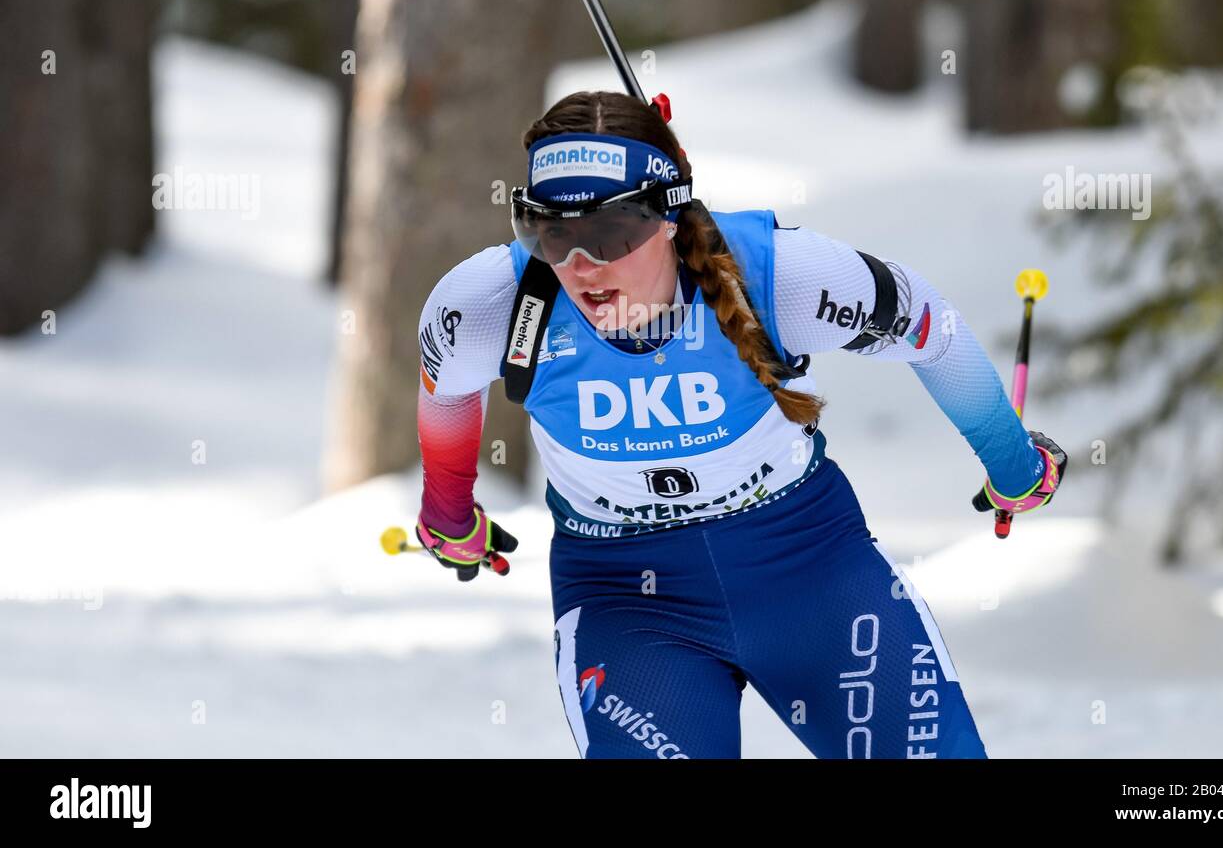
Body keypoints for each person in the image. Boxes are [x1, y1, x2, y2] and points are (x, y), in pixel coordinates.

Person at [414, 90, 1067, 759]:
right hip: (630, 604)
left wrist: (1012, 463)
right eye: (552, 232)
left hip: (809, 572)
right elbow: (447, 393)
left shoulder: (780, 275)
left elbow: (932, 331)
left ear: (668, 216)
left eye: (611, 233)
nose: (584, 266)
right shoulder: (491, 304)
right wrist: (448, 516)